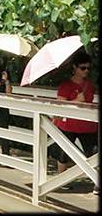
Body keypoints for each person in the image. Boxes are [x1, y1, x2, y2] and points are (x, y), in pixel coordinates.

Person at [53, 52, 98, 193]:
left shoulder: (90, 85)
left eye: (88, 68)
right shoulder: (65, 85)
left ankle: (97, 183)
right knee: (63, 154)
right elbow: (59, 106)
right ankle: (61, 180)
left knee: (93, 155)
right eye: (83, 68)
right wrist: (75, 101)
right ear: (75, 68)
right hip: (68, 125)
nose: (86, 71)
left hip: (87, 126)